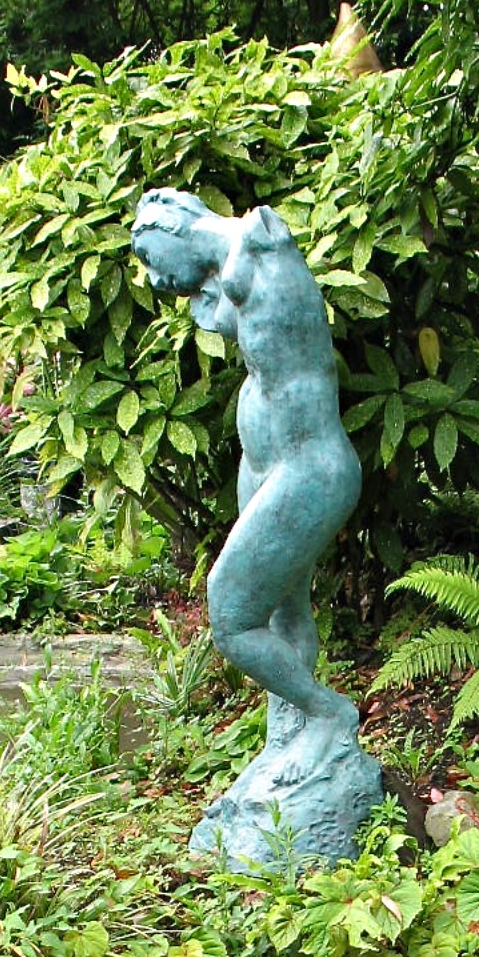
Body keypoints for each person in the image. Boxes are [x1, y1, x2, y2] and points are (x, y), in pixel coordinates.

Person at [131, 189, 363, 793]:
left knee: (230, 614)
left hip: (308, 469)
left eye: (151, 260)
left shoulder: (259, 249)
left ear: (172, 229)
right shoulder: (232, 265)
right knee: (287, 608)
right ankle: (289, 730)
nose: (154, 280)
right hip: (269, 462)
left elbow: (263, 295)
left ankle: (327, 714)